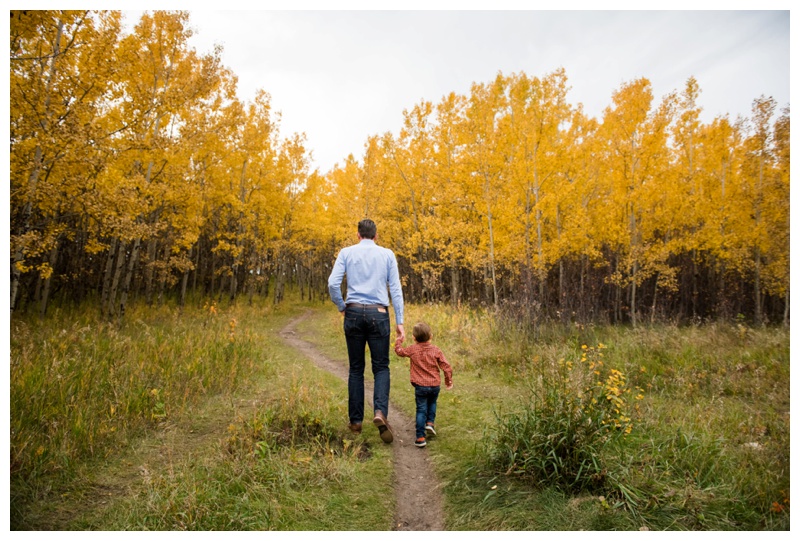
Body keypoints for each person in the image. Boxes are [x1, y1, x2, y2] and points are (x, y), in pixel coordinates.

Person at [328, 219, 405, 444]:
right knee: (381, 367)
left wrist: (342, 306)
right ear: (376, 235)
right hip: (378, 313)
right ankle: (380, 412)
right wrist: (399, 321)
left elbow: (333, 283)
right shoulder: (387, 255)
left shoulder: (346, 253)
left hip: (353, 313)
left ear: (358, 234)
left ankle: (356, 421)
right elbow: (396, 289)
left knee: (356, 368)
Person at [394, 321, 453, 448]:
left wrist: (399, 340)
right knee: (432, 403)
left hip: (420, 386)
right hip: (435, 385)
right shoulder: (436, 350)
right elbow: (446, 366)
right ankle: (430, 423)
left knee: (421, 409)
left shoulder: (412, 349)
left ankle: (420, 437)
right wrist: (448, 381)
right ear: (431, 336)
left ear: (414, 338)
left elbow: (399, 352)